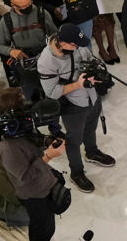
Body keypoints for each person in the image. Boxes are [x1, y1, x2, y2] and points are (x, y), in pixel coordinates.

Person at [37, 23, 115, 192]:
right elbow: (52, 92)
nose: (78, 47)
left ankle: (92, 152)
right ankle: (76, 172)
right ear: (61, 43)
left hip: (92, 97)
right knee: (73, 140)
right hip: (72, 105)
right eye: (74, 45)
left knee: (91, 127)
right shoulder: (46, 61)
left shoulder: (78, 47)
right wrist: (79, 85)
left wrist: (98, 69)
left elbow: (90, 58)